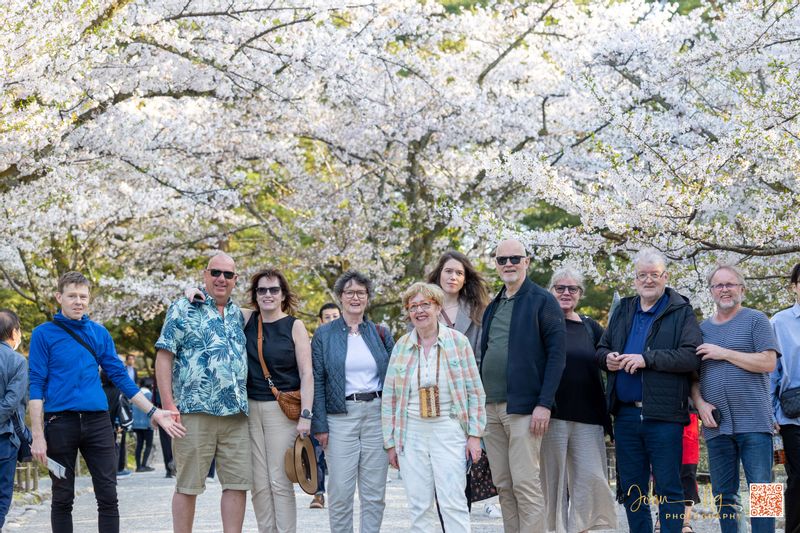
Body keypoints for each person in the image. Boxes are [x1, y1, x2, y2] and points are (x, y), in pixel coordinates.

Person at [28, 271, 184, 533]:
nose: (78, 301)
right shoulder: (43, 334)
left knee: (108, 496)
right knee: (62, 497)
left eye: (83, 297)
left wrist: (154, 411)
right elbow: (35, 385)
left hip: (98, 422)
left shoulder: (98, 334)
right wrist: (37, 434)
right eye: (72, 296)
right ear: (59, 297)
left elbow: (121, 378)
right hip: (59, 422)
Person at [596, 248, 702, 533]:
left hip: (669, 416)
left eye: (654, 275)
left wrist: (647, 358)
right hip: (628, 416)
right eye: (642, 275)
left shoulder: (760, 323)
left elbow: (692, 357)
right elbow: (601, 349)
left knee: (672, 487)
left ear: (665, 277)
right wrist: (607, 359)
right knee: (633, 489)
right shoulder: (624, 309)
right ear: (635, 279)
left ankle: (765, 525)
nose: (648, 280)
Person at [155, 253, 251, 533]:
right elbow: (164, 356)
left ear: (235, 280)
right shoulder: (183, 308)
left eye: (228, 275)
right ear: (205, 274)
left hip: (236, 415)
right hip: (193, 412)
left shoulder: (239, 314)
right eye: (216, 272)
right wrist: (168, 405)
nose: (222, 278)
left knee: (237, 484)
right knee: (188, 485)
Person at [382, 282, 485, 532]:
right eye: (413, 306)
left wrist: (474, 435)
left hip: (448, 429)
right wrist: (390, 442)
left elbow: (475, 391)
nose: (419, 311)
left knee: (453, 502)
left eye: (425, 305)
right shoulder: (402, 346)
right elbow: (390, 398)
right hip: (411, 432)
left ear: (437, 307)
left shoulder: (458, 343)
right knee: (419, 506)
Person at [479, 239, 566, 533]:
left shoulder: (543, 301)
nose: (508, 264)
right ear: (496, 264)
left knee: (526, 484)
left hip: (525, 408)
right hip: (490, 407)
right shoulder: (493, 305)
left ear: (527, 261)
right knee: (503, 485)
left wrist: (544, 403)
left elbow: (557, 356)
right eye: (502, 259)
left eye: (515, 258)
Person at [691, 264, 779, 533]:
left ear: (742, 289)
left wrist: (724, 352)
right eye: (719, 285)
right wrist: (700, 404)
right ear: (711, 291)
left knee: (763, 494)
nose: (725, 289)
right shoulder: (700, 329)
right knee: (724, 496)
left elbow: (768, 362)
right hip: (717, 426)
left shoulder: (757, 320)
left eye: (730, 284)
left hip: (755, 422)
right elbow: (692, 378)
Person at [311, 270, 395, 533]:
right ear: (339, 297)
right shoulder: (324, 335)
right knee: (340, 491)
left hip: (376, 416)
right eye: (349, 292)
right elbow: (318, 381)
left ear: (368, 298)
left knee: (374, 493)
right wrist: (320, 425)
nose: (355, 297)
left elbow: (394, 381)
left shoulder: (381, 333)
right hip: (340, 418)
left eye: (361, 292)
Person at [540, 267, 616, 533]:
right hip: (551, 417)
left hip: (588, 416)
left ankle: (585, 528)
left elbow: (605, 357)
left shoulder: (590, 327)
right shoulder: (542, 324)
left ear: (580, 294)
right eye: (560, 288)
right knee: (552, 483)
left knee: (591, 480)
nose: (566, 293)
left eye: (572, 289)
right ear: (550, 291)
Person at [243, 268, 313, 533]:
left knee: (279, 480)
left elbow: (307, 372)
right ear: (255, 295)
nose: (268, 295)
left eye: (274, 290)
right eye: (262, 290)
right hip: (250, 409)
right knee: (258, 484)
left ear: (283, 294)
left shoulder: (294, 325)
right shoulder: (247, 319)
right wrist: (191, 292)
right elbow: (214, 302)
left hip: (281, 410)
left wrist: (306, 414)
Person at [771, 262, 800, 533]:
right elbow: (771, 372)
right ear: (794, 287)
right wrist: (770, 411)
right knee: (796, 479)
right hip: (792, 414)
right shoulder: (778, 322)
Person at [426, 250, 490, 364]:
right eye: (448, 271)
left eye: (459, 273)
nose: (453, 277)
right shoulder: (422, 309)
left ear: (465, 279)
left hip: (465, 378)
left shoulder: (478, 311)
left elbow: (480, 358)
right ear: (439, 274)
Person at [309, 303, 341, 510]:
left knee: (337, 456)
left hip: (340, 408)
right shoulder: (314, 343)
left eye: (335, 316)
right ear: (321, 321)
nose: (331, 320)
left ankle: (340, 496)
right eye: (327, 317)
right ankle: (318, 493)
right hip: (317, 405)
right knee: (316, 453)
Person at [0, 309, 28, 531]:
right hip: (4, 437)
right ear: (13, 332)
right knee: (2, 495)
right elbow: (11, 403)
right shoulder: (17, 361)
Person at [131, 379, 155, 473]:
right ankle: (144, 465)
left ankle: (138, 466)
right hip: (147, 425)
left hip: (136, 424)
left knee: (139, 445)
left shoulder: (136, 395)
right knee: (148, 445)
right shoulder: (150, 395)